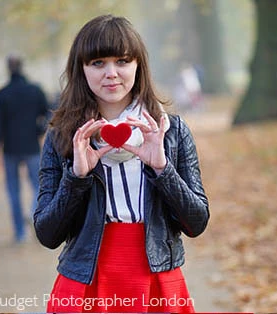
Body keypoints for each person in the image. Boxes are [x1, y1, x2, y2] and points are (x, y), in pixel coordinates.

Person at [34, 14, 209, 313]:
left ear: (138, 65)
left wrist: (163, 170)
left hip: (157, 280)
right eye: (98, 63)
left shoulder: (171, 131)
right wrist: (76, 177)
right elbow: (48, 234)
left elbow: (196, 223)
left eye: (123, 61)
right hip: (86, 279)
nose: (111, 73)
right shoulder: (63, 138)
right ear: (82, 69)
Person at [0, 54, 49, 243]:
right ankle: (33, 213)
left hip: (10, 149)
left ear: (9, 69)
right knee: (39, 186)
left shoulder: (2, 93)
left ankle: (20, 234)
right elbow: (48, 113)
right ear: (22, 67)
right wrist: (39, 131)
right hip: (31, 146)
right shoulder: (35, 90)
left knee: (13, 191)